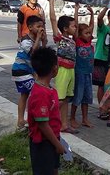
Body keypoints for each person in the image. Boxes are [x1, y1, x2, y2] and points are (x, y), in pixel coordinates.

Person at [27, 47, 65, 175]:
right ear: (55, 68)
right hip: (44, 143)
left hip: (52, 138)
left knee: (53, 169)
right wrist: (57, 145)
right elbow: (42, 124)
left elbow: (48, 110)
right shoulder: (41, 93)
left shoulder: (48, 89)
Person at [49, 0, 79, 134]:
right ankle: (46, 119)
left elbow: (76, 23)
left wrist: (77, 9)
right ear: (65, 29)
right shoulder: (59, 38)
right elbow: (53, 20)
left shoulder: (72, 40)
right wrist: (51, 3)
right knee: (60, 99)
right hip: (62, 70)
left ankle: (64, 125)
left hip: (71, 70)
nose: (75, 28)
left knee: (66, 99)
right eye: (73, 26)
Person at [11, 15, 47, 129]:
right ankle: (30, 118)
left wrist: (43, 40)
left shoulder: (36, 39)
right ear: (30, 27)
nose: (41, 28)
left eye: (42, 26)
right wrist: (38, 40)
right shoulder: (26, 40)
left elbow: (41, 53)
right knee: (35, 91)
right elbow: (33, 53)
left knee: (25, 94)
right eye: (38, 26)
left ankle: (21, 120)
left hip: (28, 71)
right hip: (20, 70)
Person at [70, 3, 95, 129]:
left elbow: (91, 26)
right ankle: (72, 118)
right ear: (79, 34)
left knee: (87, 97)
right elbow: (75, 24)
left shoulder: (89, 41)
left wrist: (91, 13)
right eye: (86, 33)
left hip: (88, 73)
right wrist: (76, 10)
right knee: (77, 96)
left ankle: (85, 119)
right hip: (79, 73)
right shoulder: (78, 41)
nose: (89, 35)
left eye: (90, 33)